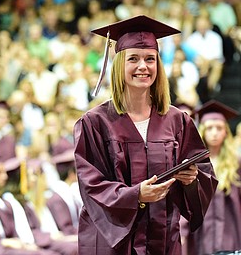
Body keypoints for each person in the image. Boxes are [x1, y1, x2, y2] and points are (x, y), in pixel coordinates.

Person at [73, 15, 218, 255]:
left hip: (163, 241)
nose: (143, 66)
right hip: (115, 246)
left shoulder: (178, 121)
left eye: (150, 59)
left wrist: (191, 179)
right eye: (133, 59)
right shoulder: (94, 123)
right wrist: (136, 195)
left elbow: (204, 176)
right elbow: (91, 186)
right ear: (119, 65)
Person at [180, 100, 241, 255]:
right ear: (202, 132)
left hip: (231, 229)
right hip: (202, 231)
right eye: (209, 128)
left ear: (226, 131)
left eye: (219, 128)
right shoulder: (194, 163)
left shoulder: (236, 162)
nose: (214, 133)